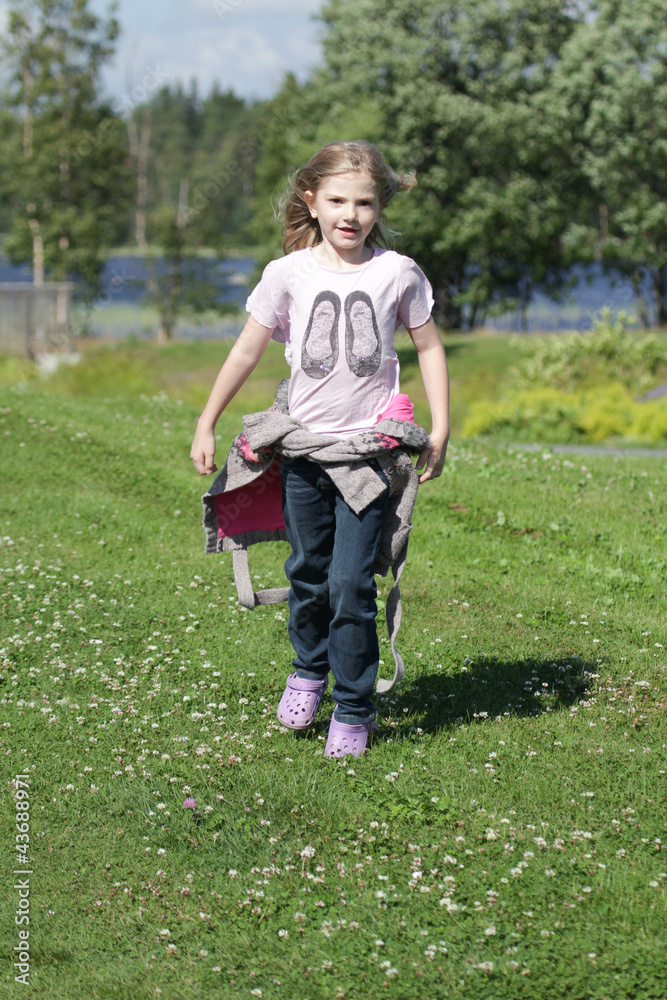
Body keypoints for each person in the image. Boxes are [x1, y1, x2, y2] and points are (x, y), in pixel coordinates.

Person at [191, 140, 449, 757]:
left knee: (353, 584)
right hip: (304, 457)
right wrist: (207, 421)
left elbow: (430, 347)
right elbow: (246, 350)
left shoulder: (397, 272)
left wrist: (439, 428)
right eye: (337, 200)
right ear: (312, 198)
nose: (350, 214)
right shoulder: (288, 275)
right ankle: (309, 670)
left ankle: (354, 709)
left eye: (364, 202)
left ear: (380, 204)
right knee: (308, 575)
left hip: (367, 458)